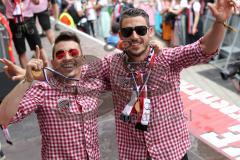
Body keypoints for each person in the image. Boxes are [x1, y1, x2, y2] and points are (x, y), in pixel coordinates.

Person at [1, 2, 239, 159]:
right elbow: (74, 72)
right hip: (133, 154)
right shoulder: (110, 64)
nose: (134, 36)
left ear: (149, 32)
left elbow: (203, 49)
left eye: (140, 30)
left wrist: (219, 22)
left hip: (172, 152)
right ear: (120, 36)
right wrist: (31, 76)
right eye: (127, 32)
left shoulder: (168, 59)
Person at [0, 32, 106, 159]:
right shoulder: (42, 90)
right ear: (53, 63)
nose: (67, 57)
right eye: (60, 55)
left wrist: (43, 74)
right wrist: (27, 79)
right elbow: (3, 118)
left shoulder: (93, 81)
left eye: (73, 53)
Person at [2, 0, 48, 68]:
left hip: (21, 20)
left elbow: (36, 2)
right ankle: (28, 76)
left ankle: (46, 73)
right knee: (24, 52)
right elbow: (36, 2)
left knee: (37, 48)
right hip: (19, 20)